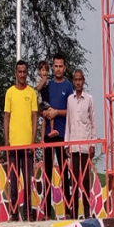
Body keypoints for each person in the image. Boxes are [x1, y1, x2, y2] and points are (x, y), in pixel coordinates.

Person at [4, 60, 39, 221]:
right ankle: (13, 213)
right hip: (13, 144)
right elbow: (7, 116)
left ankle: (28, 214)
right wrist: (6, 140)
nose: (22, 75)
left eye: (25, 72)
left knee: (27, 180)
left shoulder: (31, 92)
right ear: (16, 73)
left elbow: (34, 117)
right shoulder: (10, 92)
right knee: (13, 181)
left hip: (27, 146)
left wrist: (33, 142)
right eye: (20, 72)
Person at [41, 53, 74, 218]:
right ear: (52, 67)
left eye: (61, 66)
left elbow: (71, 111)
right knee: (47, 173)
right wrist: (46, 113)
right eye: (56, 66)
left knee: (64, 171)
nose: (58, 69)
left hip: (62, 135)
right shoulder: (47, 86)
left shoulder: (68, 87)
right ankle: (47, 211)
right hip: (48, 135)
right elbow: (40, 105)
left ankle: (68, 210)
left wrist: (57, 112)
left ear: (64, 68)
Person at [64, 69, 97, 219]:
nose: (78, 82)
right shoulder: (70, 99)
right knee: (74, 180)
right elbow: (68, 124)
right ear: (73, 81)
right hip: (73, 145)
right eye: (75, 80)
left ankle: (86, 212)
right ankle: (75, 212)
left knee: (85, 180)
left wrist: (92, 144)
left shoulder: (89, 99)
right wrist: (66, 144)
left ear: (83, 81)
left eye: (80, 80)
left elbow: (93, 123)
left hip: (85, 146)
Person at [34, 60, 58, 138]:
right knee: (51, 112)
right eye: (43, 70)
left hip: (46, 101)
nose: (44, 72)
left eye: (46, 71)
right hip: (42, 102)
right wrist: (43, 81)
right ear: (39, 71)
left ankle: (42, 138)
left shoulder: (48, 81)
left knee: (44, 120)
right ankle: (52, 129)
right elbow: (38, 88)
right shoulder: (39, 79)